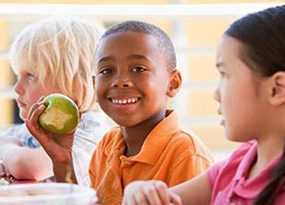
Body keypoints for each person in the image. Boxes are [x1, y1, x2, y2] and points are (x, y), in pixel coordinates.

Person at [26, 20, 213, 205]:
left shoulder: (185, 153)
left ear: (173, 83)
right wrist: (63, 160)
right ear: (94, 84)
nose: (120, 81)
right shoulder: (108, 145)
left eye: (138, 69)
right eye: (107, 71)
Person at [122, 5, 285, 205]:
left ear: (277, 89)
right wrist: (140, 192)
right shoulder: (240, 162)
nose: (216, 94)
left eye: (225, 74)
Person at [0, 17, 112, 186]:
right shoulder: (35, 125)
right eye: (18, 76)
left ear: (74, 83)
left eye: (30, 76)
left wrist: (7, 149)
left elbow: (27, 167)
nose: (17, 88)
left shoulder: (91, 132)